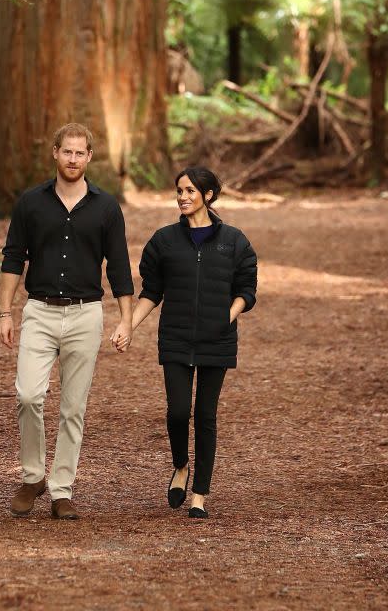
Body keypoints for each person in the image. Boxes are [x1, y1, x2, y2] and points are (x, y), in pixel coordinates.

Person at [0, 122, 134, 521]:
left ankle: (61, 489)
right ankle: (33, 475)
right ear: (55, 153)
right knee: (27, 395)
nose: (73, 159)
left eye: (80, 153)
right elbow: (12, 257)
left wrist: (126, 320)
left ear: (89, 157)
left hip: (85, 314)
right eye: (67, 151)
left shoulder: (107, 207)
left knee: (73, 408)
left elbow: (120, 266)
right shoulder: (30, 203)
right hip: (38, 311)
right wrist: (5, 311)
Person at [118, 165, 257, 519]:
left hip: (217, 340)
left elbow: (246, 290)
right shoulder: (164, 241)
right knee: (179, 411)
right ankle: (181, 465)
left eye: (190, 191)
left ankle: (200, 494)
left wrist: (224, 318)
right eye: (179, 190)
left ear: (208, 196)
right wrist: (128, 325)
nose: (183, 197)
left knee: (205, 415)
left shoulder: (234, 241)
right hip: (176, 337)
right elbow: (152, 291)